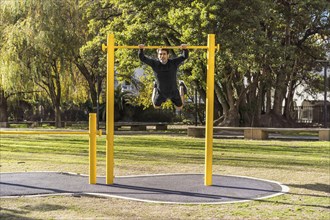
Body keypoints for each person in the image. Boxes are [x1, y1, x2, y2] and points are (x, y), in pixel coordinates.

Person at [138, 44, 189, 110]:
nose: (162, 56)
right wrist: (141, 49)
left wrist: (185, 49)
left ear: (168, 55)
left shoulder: (173, 63)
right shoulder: (154, 64)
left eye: (164, 54)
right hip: (161, 92)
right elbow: (142, 58)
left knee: (180, 107)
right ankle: (155, 86)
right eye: (160, 54)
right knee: (156, 106)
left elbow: (184, 56)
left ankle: (181, 86)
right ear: (158, 56)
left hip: (173, 91)